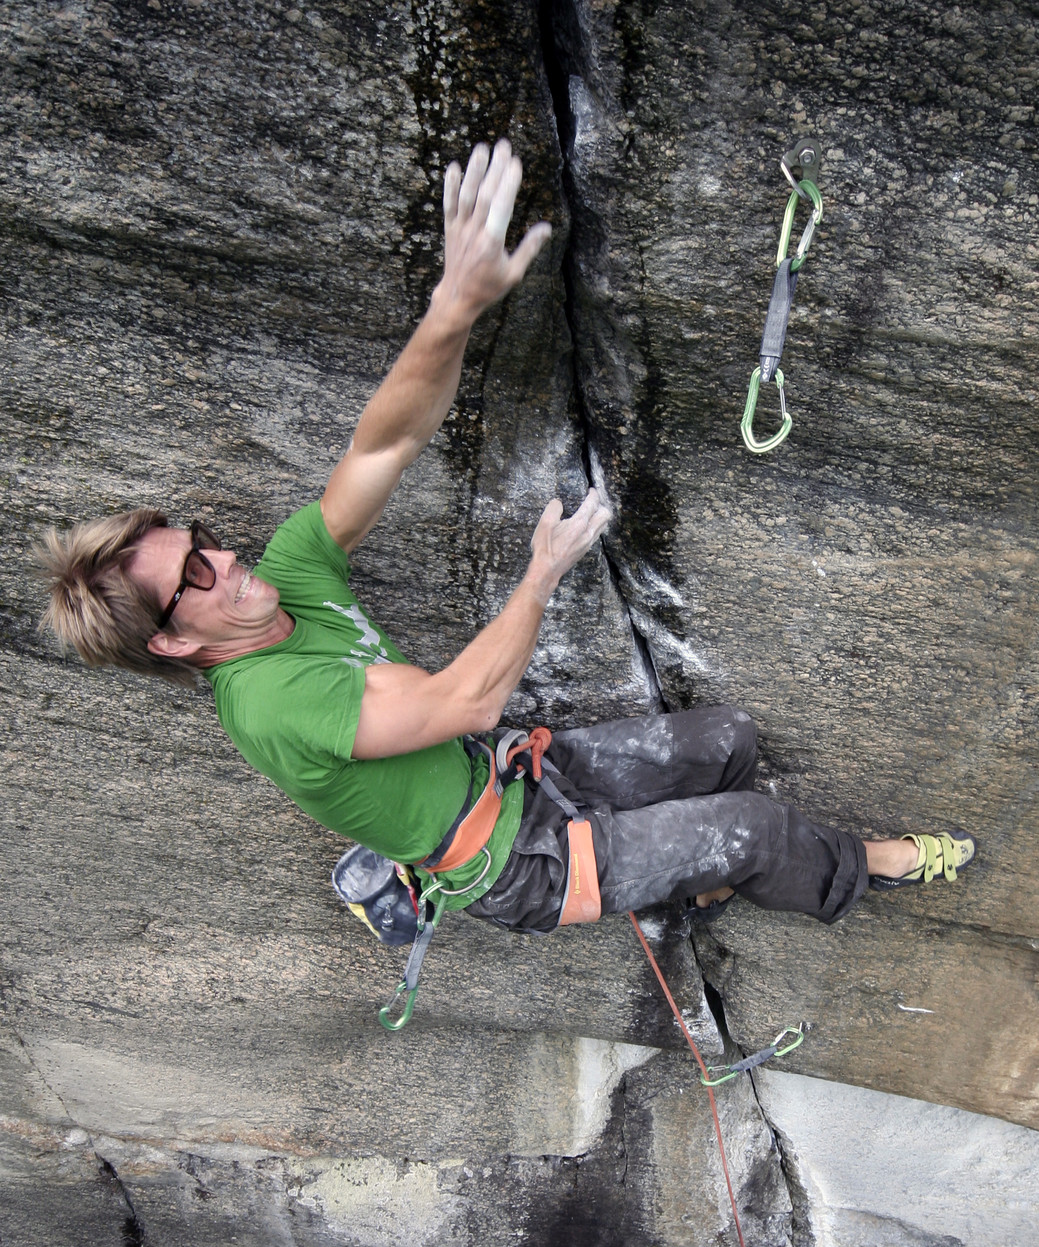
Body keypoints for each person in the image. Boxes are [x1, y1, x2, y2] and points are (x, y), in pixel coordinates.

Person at [38, 140, 974, 939]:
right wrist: (541, 574)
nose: (225, 558)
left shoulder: (284, 580)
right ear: (173, 641)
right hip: (516, 863)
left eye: (204, 540)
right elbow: (466, 699)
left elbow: (384, 445)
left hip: (512, 776)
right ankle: (862, 867)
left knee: (727, 739)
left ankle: (697, 878)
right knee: (753, 827)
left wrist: (453, 309)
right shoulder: (270, 702)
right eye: (196, 573)